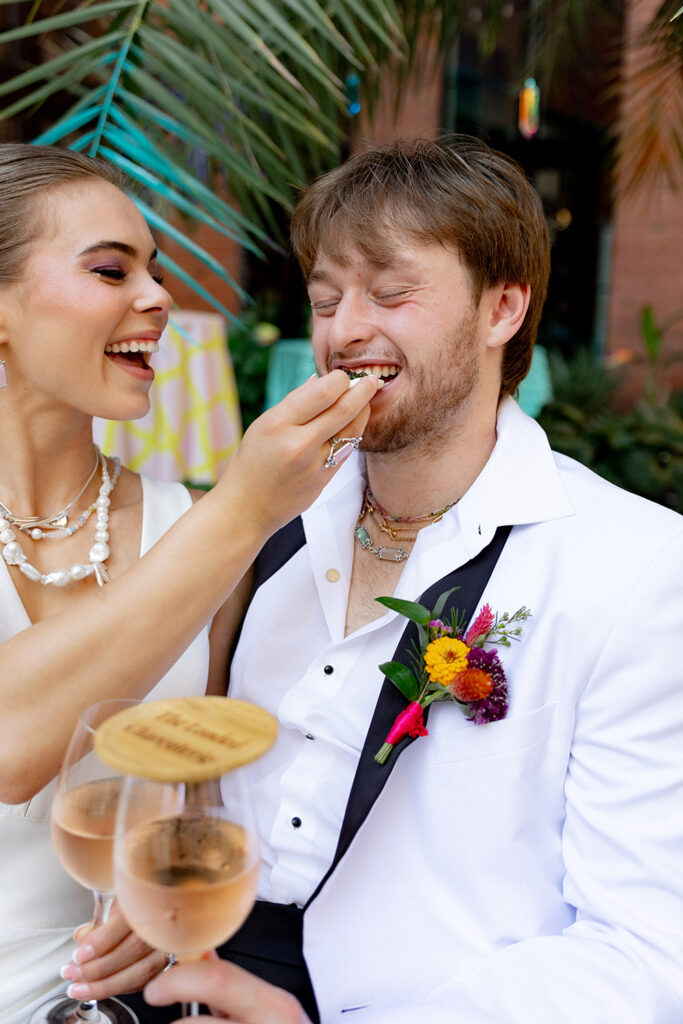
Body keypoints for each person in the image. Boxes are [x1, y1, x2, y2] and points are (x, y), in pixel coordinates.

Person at [70, 136, 683, 1023]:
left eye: (391, 292)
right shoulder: (257, 524)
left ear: (501, 309)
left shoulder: (637, 566)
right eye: (325, 298)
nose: (343, 330)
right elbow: (198, 771)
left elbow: (644, 955)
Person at [0, 142, 381, 1023]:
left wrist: (168, 885)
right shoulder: (222, 528)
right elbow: (12, 747)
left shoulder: (193, 528)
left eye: (156, 270)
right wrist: (245, 506)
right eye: (109, 268)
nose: (159, 297)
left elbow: (201, 791)